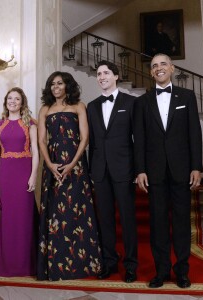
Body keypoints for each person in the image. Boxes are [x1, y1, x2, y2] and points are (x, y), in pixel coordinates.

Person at [134, 54, 202, 289]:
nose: (159, 68)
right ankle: (161, 271)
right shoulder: (142, 102)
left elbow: (194, 133)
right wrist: (140, 170)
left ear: (172, 68)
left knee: (182, 223)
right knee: (158, 224)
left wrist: (196, 166)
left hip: (182, 169)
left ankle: (182, 272)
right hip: (154, 173)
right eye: (154, 66)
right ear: (151, 72)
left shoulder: (187, 96)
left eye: (163, 64)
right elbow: (139, 139)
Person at [37, 71, 102, 281]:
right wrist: (49, 164)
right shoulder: (45, 109)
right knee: (56, 213)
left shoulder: (78, 106)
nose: (56, 87)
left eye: (60, 83)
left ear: (68, 86)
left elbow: (85, 138)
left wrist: (73, 163)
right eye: (52, 84)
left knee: (77, 211)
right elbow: (41, 141)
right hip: (53, 164)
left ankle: (82, 265)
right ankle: (56, 266)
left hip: (76, 166)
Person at [87, 60, 138, 283]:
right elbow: (92, 141)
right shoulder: (91, 105)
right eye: (99, 74)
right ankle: (108, 262)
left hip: (124, 168)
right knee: (105, 220)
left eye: (106, 73)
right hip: (99, 170)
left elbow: (138, 139)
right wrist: (90, 170)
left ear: (116, 76)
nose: (102, 77)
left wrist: (138, 170)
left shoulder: (132, 102)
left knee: (127, 219)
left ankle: (131, 265)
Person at [0, 87, 38, 277]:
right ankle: (7, 265)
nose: (13, 101)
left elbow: (35, 151)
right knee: (8, 219)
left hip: (23, 172)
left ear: (22, 102)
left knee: (23, 218)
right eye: (10, 98)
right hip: (5, 174)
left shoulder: (30, 123)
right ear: (6, 101)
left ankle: (25, 265)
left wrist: (33, 175)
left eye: (17, 99)